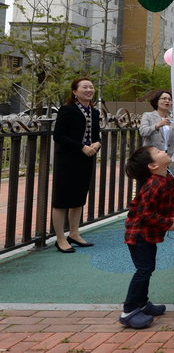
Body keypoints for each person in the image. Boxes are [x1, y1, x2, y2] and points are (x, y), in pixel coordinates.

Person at [120, 147, 174, 329]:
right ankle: (128, 310)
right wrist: (167, 222)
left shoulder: (166, 177)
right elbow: (145, 213)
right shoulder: (154, 185)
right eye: (158, 151)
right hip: (139, 234)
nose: (163, 150)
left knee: (148, 267)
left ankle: (142, 303)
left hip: (148, 234)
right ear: (153, 165)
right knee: (144, 269)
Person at [52, 77, 101, 253]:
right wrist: (81, 147)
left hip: (86, 159)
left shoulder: (94, 112)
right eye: (84, 87)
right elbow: (59, 136)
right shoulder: (67, 110)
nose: (89, 90)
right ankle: (60, 238)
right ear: (74, 91)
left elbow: (96, 135)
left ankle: (74, 233)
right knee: (62, 199)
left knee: (79, 197)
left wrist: (96, 144)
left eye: (91, 87)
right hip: (68, 159)